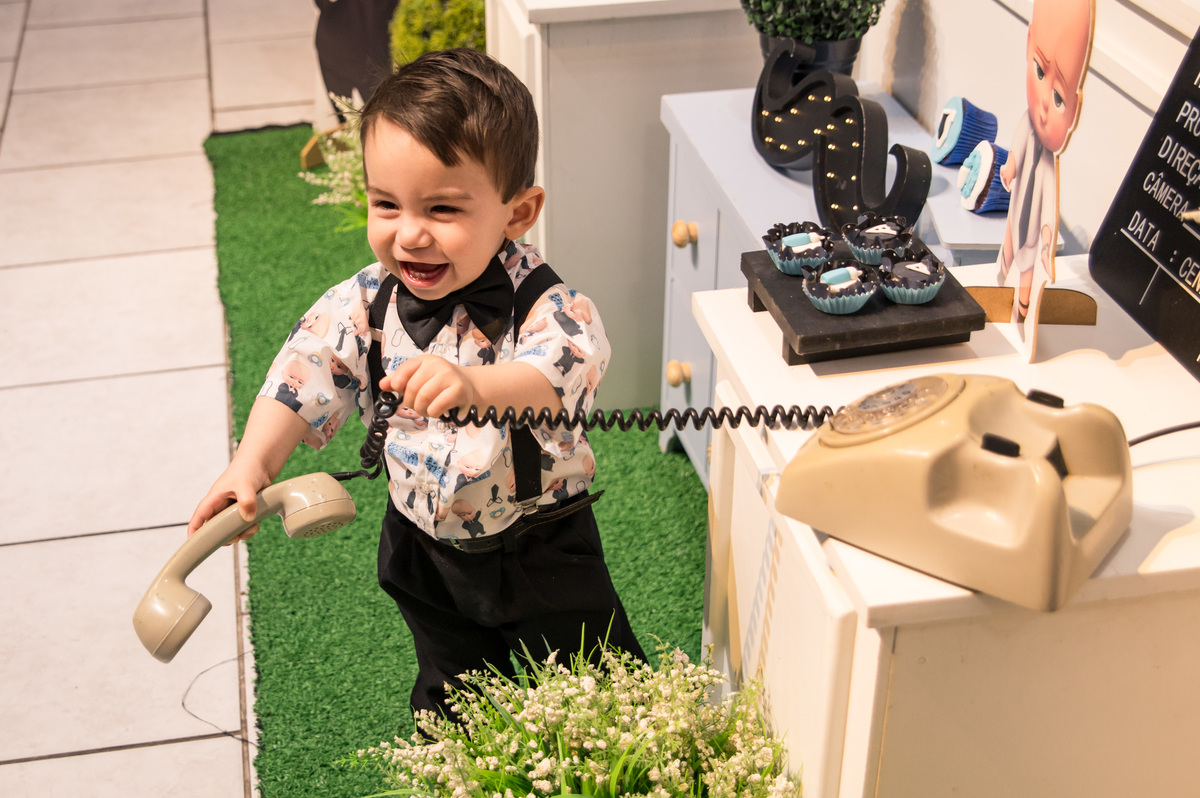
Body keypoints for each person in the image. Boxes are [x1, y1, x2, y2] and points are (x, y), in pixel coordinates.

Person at [187, 48, 645, 719]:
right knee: (450, 695)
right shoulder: (363, 303)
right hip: (422, 546)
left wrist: (478, 387)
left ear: (518, 214)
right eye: (386, 204)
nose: (410, 235)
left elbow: (568, 368)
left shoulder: (547, 306)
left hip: (538, 546)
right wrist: (250, 464)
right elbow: (300, 375)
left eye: (442, 210)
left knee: (599, 689)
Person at [996, 0, 1093, 324]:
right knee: (1009, 245)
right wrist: (1009, 168)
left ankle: (1023, 310)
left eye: (1059, 98)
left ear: (1075, 111)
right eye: (1039, 70)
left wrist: (1048, 241)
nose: (1043, 107)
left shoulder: (1050, 165)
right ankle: (1000, 285)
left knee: (1026, 267)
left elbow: (1049, 205)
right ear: (1028, 45)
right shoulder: (1025, 124)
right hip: (1015, 215)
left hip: (1034, 232)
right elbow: (1016, 152)